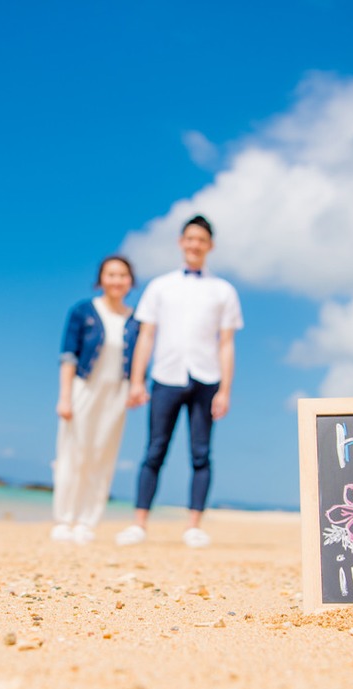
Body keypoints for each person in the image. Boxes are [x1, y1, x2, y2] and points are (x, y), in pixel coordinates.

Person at [118, 214, 243, 548]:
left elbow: (227, 342)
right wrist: (136, 380)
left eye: (201, 239)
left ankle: (194, 526)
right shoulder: (161, 286)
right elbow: (146, 335)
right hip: (166, 375)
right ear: (180, 242)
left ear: (210, 246)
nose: (195, 245)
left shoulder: (223, 291)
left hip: (207, 378)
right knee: (154, 450)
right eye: (190, 238)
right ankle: (139, 524)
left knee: (201, 453)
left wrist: (226, 390)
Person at [50, 255, 140, 544]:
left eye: (122, 275)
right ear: (101, 279)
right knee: (72, 453)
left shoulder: (136, 320)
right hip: (83, 389)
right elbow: (68, 356)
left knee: (103, 456)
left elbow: (140, 360)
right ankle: (64, 519)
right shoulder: (83, 311)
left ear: (131, 281)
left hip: (117, 393)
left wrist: (138, 387)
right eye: (111, 275)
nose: (117, 281)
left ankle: (88, 521)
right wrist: (64, 397)